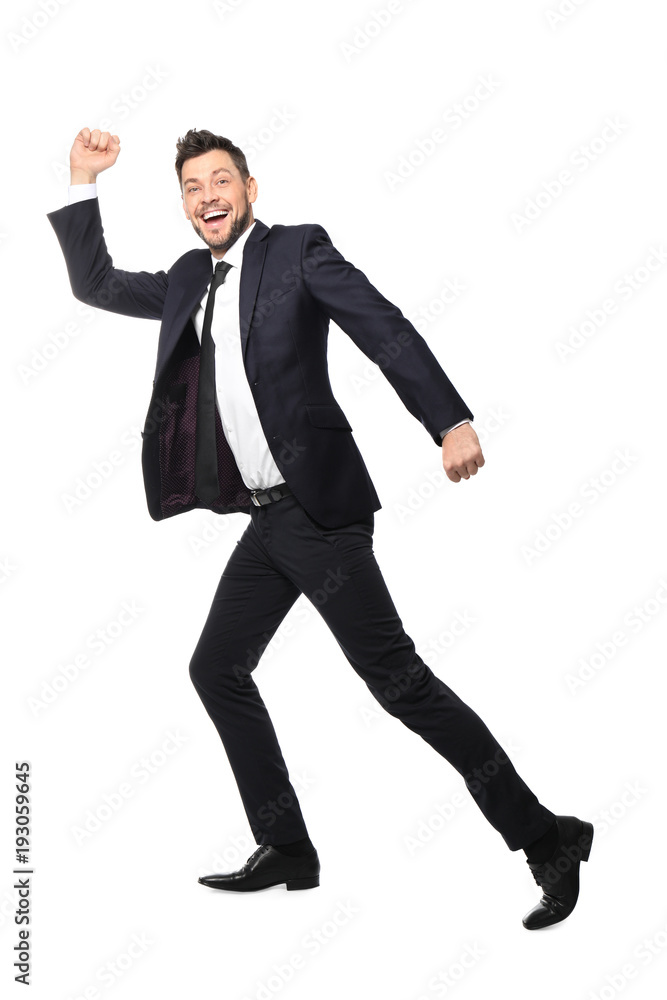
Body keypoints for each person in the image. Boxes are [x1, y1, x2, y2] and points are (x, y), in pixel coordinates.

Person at [47, 127, 593, 929]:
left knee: (399, 685)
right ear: (184, 204)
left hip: (322, 512)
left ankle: (547, 838)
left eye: (221, 180)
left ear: (250, 188)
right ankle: (287, 847)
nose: (208, 196)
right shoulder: (187, 279)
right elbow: (92, 282)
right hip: (266, 521)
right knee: (216, 669)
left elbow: (383, 327)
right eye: (193, 187)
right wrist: (80, 179)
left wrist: (448, 421)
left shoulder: (298, 251)